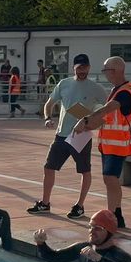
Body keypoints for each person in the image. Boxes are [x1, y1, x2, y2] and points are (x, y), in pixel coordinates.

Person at [28, 54, 106, 219]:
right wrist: (48, 118)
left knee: (85, 170)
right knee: (49, 167)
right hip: (62, 135)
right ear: (74, 68)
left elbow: (107, 108)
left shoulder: (95, 88)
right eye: (79, 68)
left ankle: (80, 205)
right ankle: (45, 203)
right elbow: (49, 104)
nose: (82, 71)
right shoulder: (64, 84)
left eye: (85, 68)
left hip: (81, 136)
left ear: (89, 68)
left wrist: (91, 121)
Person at [72, 57, 131, 230]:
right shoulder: (117, 90)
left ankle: (113, 215)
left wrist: (87, 119)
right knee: (109, 179)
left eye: (105, 70)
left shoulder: (124, 92)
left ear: (115, 71)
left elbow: (108, 108)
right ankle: (116, 215)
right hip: (109, 145)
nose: (104, 74)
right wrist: (88, 124)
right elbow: (107, 118)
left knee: (110, 178)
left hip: (118, 145)